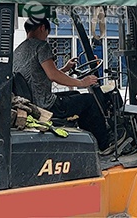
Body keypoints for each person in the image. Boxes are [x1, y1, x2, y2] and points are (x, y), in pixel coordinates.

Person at [13, 16, 111, 151]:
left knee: (75, 94)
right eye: (48, 32)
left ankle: (87, 139)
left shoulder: (19, 51)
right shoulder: (41, 46)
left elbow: (41, 74)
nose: (47, 36)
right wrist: (82, 82)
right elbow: (53, 76)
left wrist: (65, 69)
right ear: (42, 28)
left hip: (33, 101)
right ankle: (103, 145)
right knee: (89, 100)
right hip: (45, 105)